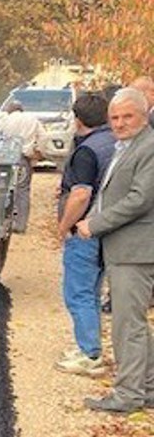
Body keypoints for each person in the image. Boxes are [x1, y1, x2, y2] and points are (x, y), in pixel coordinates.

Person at [76, 88, 154, 413]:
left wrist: (95, 223)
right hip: (125, 248)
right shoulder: (129, 146)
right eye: (115, 118)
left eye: (127, 117)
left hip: (135, 250)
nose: (120, 123)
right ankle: (146, 388)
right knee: (133, 323)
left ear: (144, 114)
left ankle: (127, 396)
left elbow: (140, 199)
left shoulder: (148, 148)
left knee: (127, 325)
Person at [53, 93, 116, 376]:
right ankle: (88, 347)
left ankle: (89, 353)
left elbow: (80, 194)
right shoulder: (114, 143)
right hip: (108, 229)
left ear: (77, 120)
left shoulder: (87, 151)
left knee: (78, 292)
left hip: (86, 231)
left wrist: (64, 226)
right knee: (92, 291)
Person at [0, 100, 47, 233]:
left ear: (9, 110)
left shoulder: (4, 120)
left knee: (2, 189)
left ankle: (0, 222)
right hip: (22, 159)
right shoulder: (32, 119)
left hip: (4, 159)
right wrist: (39, 152)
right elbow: (43, 137)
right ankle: (21, 225)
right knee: (22, 190)